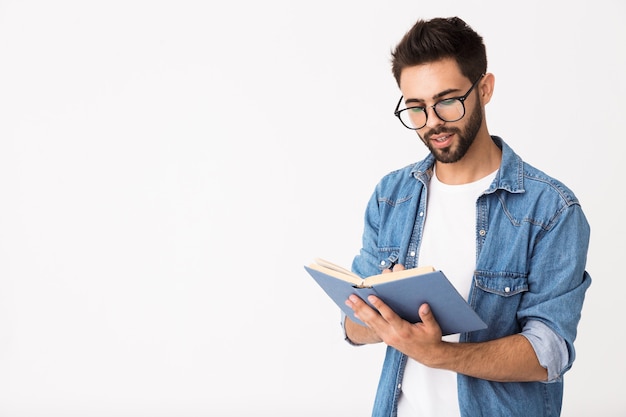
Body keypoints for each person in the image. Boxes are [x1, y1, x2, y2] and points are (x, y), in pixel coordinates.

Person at [341, 16, 591, 417]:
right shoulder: (391, 197)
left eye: (447, 100)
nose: (433, 122)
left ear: (485, 88)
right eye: (416, 108)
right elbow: (352, 328)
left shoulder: (550, 209)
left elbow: (549, 351)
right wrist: (382, 318)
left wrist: (440, 354)